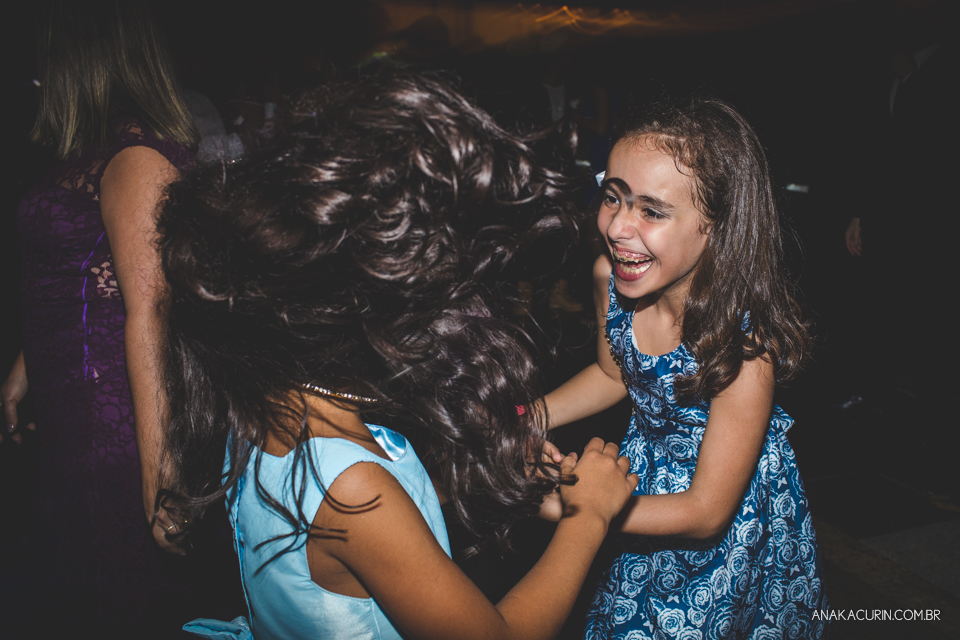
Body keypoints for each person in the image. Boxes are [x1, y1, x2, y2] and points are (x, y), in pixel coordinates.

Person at [157, 71, 639, 640]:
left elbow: (374, 534)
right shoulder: (357, 491)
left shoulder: (263, 403)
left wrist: (480, 476)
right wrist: (590, 518)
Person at [537, 96, 828, 638]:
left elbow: (706, 512)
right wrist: (530, 415)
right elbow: (612, 374)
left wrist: (571, 508)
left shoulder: (744, 344)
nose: (619, 227)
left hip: (722, 518)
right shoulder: (612, 279)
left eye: (651, 210)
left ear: (716, 224)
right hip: (637, 484)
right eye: (613, 197)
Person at [0, 1, 225, 635]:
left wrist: (162, 484)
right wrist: (23, 370)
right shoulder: (95, 152)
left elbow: (150, 308)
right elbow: (79, 268)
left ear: (81, 57)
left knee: (113, 604)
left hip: (117, 429)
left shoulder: (135, 159)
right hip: (74, 415)